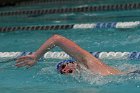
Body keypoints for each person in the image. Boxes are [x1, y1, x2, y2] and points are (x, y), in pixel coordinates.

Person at [16, 34, 123, 76]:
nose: (66, 70)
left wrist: (36, 56)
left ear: (73, 62)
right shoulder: (88, 77)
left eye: (64, 66)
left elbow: (57, 39)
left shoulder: (87, 62)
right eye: (63, 72)